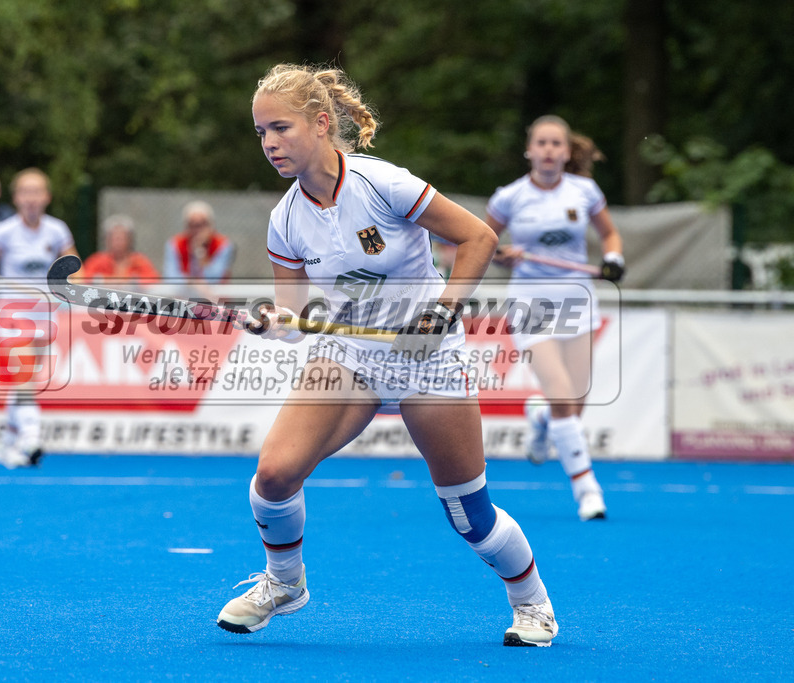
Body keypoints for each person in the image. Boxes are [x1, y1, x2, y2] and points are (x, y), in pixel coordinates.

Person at [215, 63, 558, 647]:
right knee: (273, 476)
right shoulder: (285, 221)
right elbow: (298, 319)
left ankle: (532, 603)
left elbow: (478, 238)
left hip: (428, 356)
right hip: (349, 353)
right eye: (260, 132)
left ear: (321, 124)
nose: (269, 143)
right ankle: (284, 583)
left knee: (468, 514)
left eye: (281, 128)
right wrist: (275, 324)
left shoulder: (384, 184)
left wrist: (442, 312)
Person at [484, 114, 625, 521]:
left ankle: (540, 416)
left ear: (566, 151)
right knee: (564, 396)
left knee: (572, 408)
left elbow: (610, 235)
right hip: (531, 307)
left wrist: (613, 258)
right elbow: (482, 242)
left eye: (556, 144)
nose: (548, 150)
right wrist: (501, 255)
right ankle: (587, 491)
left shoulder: (585, 191)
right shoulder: (509, 198)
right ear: (530, 150)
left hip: (578, 305)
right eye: (541, 143)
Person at [0, 168, 80, 469]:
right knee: (24, 379)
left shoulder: (57, 230)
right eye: (25, 192)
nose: (31, 199)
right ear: (17, 198)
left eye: (37, 192)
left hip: (46, 314)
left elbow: (74, 265)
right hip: (13, 314)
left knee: (27, 380)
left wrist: (72, 285)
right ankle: (31, 438)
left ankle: (8, 442)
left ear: (46, 197)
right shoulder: (4, 232)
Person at [163, 200, 235, 298]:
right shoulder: (175, 243)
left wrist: (200, 252)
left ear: (211, 225)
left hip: (214, 302)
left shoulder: (223, 244)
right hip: (183, 299)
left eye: (202, 224)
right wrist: (192, 282)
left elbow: (215, 278)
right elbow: (170, 277)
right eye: (192, 225)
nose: (197, 230)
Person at [81, 214, 160, 287]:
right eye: (115, 238)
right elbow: (83, 279)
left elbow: (153, 281)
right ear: (107, 239)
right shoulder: (97, 261)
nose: (118, 242)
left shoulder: (140, 261)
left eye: (122, 238)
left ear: (129, 239)